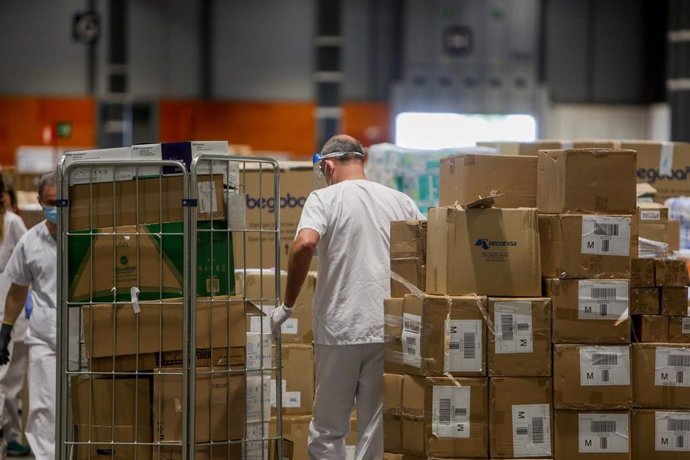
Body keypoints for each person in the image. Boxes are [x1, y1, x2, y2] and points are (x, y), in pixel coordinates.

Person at [271, 135, 424, 459]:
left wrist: (287, 304)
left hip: (340, 329)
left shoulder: (324, 199)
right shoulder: (401, 201)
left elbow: (304, 244)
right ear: (361, 159)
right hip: (388, 327)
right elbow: (423, 254)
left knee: (328, 429)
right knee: (374, 429)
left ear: (328, 165)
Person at [0, 172, 59, 459]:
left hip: (83, 339)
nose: (57, 207)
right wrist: (6, 329)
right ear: (39, 201)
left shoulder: (84, 237)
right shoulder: (31, 242)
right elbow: (17, 290)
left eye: (61, 201)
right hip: (43, 338)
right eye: (51, 202)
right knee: (43, 408)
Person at [0, 178, 30, 457]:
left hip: (13, 313)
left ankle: (10, 436)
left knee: (9, 383)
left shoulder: (12, 223)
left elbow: (26, 267)